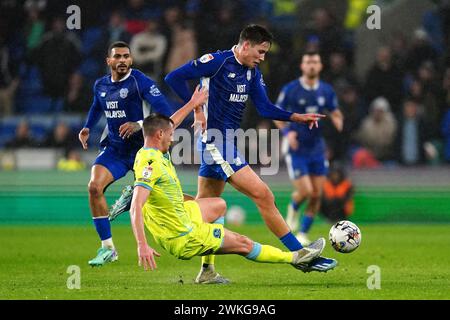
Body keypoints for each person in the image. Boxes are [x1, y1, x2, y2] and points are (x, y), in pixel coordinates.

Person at [109, 24, 337, 282]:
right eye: (260, 52)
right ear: (246, 45)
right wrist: (196, 107)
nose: (262, 58)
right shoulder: (217, 62)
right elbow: (174, 77)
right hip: (213, 141)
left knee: (207, 205)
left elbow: (264, 107)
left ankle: (206, 271)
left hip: (227, 141)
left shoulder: (252, 73)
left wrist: (297, 117)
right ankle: (300, 253)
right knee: (263, 194)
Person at [130, 113, 330, 279]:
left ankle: (207, 272)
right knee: (244, 243)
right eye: (171, 134)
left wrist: (193, 104)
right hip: (183, 236)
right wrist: (142, 245)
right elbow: (136, 205)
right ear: (160, 134)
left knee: (218, 204)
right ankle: (295, 258)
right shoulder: (151, 162)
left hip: (181, 216)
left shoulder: (146, 153)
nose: (173, 139)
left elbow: (162, 194)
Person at [78, 41, 205, 267]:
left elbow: (165, 114)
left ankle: (204, 210)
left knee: (169, 200)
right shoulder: (100, 85)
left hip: (145, 152)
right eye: (117, 57)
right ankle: (108, 248)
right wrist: (88, 126)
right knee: (94, 187)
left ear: (131, 60)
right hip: (116, 150)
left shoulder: (141, 83)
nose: (123, 60)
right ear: (109, 61)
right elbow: (98, 105)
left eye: (126, 56)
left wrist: (139, 123)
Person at [274, 51, 344, 246]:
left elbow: (334, 110)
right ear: (302, 66)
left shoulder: (326, 91)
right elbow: (276, 115)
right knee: (305, 191)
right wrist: (288, 133)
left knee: (316, 194)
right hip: (297, 149)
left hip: (317, 148)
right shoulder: (291, 89)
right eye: (308, 62)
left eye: (315, 62)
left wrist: (338, 120)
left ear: (320, 66)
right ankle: (294, 206)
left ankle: (303, 232)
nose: (312, 65)